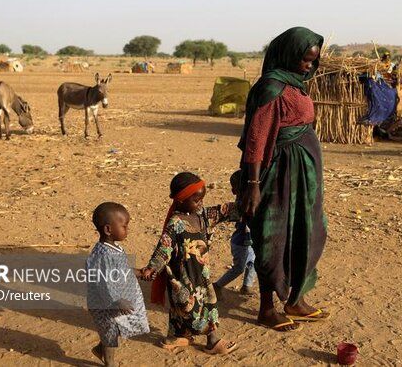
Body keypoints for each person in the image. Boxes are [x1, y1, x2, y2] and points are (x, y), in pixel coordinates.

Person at [239, 26, 328, 332]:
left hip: (304, 175)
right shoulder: (272, 88)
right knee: (272, 237)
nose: (309, 65)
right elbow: (256, 139)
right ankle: (266, 308)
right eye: (305, 59)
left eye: (313, 60)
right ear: (289, 54)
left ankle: (295, 299)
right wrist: (252, 185)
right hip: (278, 174)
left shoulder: (297, 84)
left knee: (309, 231)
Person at [140, 172, 238, 355]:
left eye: (202, 199)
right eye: (196, 200)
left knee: (209, 305)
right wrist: (152, 267)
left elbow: (225, 211)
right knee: (187, 309)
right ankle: (182, 335)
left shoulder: (202, 215)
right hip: (183, 279)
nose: (200, 203)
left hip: (202, 275)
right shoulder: (175, 223)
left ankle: (211, 341)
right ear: (181, 200)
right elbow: (164, 248)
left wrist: (248, 200)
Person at [86, 202, 149, 367]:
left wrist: (138, 272)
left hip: (115, 301)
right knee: (110, 332)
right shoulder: (102, 255)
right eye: (124, 226)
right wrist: (117, 301)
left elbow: (121, 269)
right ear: (108, 229)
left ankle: (101, 349)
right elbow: (103, 283)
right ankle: (110, 363)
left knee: (115, 330)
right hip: (105, 304)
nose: (127, 230)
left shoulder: (114, 248)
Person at [213, 170, 256, 296]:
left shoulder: (247, 202)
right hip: (240, 242)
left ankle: (247, 286)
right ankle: (217, 285)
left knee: (253, 263)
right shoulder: (240, 205)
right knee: (239, 268)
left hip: (249, 241)